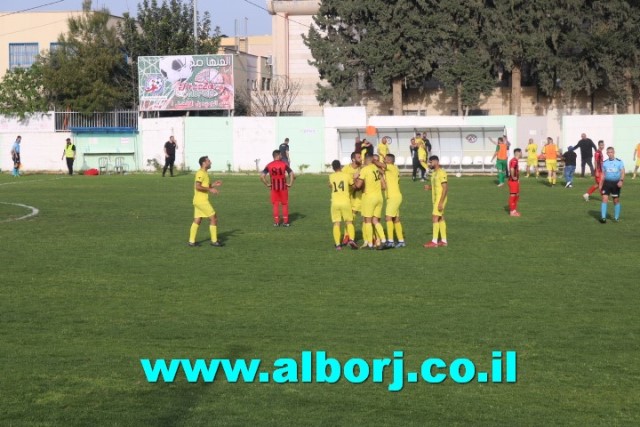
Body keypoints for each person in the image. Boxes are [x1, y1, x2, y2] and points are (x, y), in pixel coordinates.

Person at [354, 153, 390, 249]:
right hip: (379, 197)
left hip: (369, 198)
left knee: (367, 221)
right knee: (375, 221)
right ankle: (383, 240)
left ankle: (369, 244)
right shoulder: (376, 168)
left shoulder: (364, 170)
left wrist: (355, 178)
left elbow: (358, 185)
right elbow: (384, 186)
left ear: (366, 160)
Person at [188, 156, 223, 247]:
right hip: (201, 201)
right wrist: (210, 189)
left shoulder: (204, 173)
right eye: (208, 161)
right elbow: (198, 186)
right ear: (204, 163)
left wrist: (213, 185)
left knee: (197, 220)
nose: (210, 162)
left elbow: (204, 185)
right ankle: (214, 241)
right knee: (213, 218)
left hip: (198, 201)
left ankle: (191, 241)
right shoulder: (200, 173)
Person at [260, 150, 295, 226]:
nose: (282, 156)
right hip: (283, 188)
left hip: (274, 188)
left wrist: (267, 184)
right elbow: (292, 173)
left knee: (275, 204)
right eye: (281, 155)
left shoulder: (269, 165)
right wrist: (290, 183)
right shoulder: (284, 164)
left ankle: (276, 222)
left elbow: (262, 176)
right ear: (278, 155)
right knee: (284, 204)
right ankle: (285, 222)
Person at [328, 160, 358, 250]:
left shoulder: (331, 176)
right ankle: (351, 240)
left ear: (333, 168)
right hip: (345, 202)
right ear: (341, 167)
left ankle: (338, 245)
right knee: (349, 222)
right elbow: (354, 186)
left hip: (335, 203)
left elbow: (330, 185)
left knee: (336, 223)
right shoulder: (347, 176)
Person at [424, 155, 448, 248]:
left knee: (434, 217)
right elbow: (436, 187)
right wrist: (429, 187)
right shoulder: (434, 173)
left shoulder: (442, 172)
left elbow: (445, 188)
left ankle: (434, 242)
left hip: (440, 198)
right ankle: (444, 241)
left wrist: (441, 202)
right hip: (435, 198)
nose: (429, 164)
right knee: (440, 218)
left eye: (430, 162)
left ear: (436, 162)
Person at [382, 153, 405, 247]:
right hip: (394, 197)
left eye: (385, 159)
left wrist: (373, 161)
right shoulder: (391, 169)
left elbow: (380, 165)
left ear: (390, 161)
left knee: (388, 217)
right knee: (396, 219)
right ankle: (401, 241)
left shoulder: (391, 167)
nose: (384, 160)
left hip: (393, 197)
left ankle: (390, 241)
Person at [598, 147, 625, 223]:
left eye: (611, 152)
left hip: (615, 184)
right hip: (606, 183)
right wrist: (600, 184)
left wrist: (621, 181)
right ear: (607, 153)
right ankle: (603, 218)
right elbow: (603, 174)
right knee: (604, 199)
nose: (610, 154)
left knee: (616, 201)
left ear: (614, 152)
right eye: (608, 152)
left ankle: (616, 218)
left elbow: (623, 172)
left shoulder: (619, 162)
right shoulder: (605, 162)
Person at [342, 151, 363, 243]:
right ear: (353, 159)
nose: (361, 159)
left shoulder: (362, 169)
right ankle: (347, 235)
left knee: (352, 216)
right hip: (346, 195)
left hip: (358, 195)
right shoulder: (346, 169)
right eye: (359, 157)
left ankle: (349, 237)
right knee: (347, 217)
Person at [508, 149, 522, 216]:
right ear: (518, 153)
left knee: (517, 195)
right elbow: (512, 168)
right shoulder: (514, 160)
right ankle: (512, 211)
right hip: (513, 181)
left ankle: (514, 210)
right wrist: (513, 177)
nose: (521, 154)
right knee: (513, 196)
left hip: (515, 181)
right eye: (521, 152)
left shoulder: (515, 160)